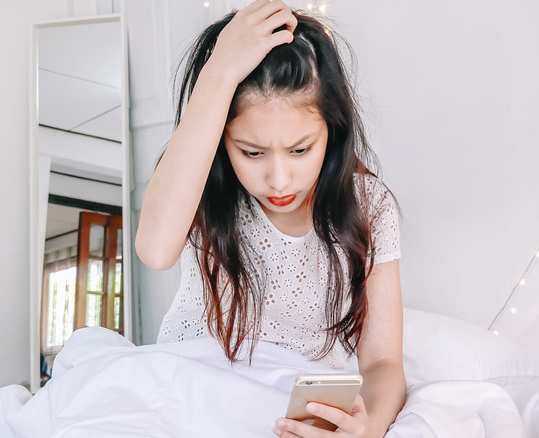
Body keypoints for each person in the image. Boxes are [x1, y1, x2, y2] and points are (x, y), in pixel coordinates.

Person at [135, 1, 405, 436]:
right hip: (196, 382)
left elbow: (384, 362)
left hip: (292, 399)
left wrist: (369, 425)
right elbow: (154, 249)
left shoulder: (369, 205)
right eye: (252, 153)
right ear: (223, 141)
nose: (279, 179)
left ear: (332, 132)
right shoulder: (206, 182)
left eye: (300, 150)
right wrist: (219, 73)